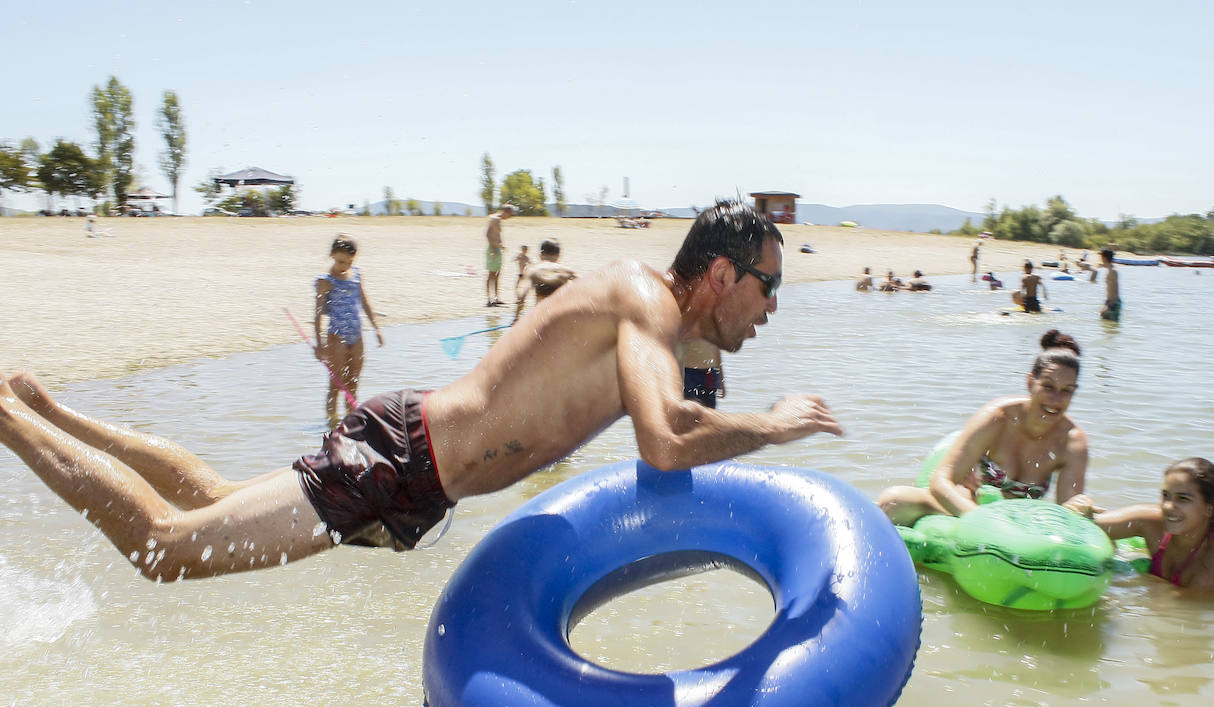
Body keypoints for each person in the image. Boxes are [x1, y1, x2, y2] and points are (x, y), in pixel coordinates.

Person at [0, 200, 841, 581]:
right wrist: (769, 428)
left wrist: (718, 391)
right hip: (398, 459)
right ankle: (9, 418)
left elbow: (668, 458)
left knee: (209, 499)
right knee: (169, 548)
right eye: (770, 286)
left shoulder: (676, 341)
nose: (775, 305)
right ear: (721, 272)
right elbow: (664, 441)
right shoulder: (642, 299)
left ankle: (49, 409)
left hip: (410, 476)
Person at [877, 330, 1092, 525]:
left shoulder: (1072, 441)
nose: (1056, 399)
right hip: (964, 508)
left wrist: (1079, 509)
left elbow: (1067, 510)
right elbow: (941, 480)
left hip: (1021, 524)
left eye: (1067, 391)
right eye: (1048, 386)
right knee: (894, 500)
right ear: (1030, 382)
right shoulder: (997, 417)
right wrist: (981, 521)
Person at [1093, 458, 1214, 592]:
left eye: (1183, 498)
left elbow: (1176, 613)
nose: (1167, 507)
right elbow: (1088, 524)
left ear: (1208, 508)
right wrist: (1079, 507)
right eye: (1166, 495)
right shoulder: (1152, 521)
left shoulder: (1211, 567)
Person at [314, 234, 383, 428]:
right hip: (336, 336)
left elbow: (365, 301)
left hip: (357, 334)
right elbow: (318, 314)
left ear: (353, 258)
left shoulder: (357, 274)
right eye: (337, 261)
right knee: (336, 385)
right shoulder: (325, 281)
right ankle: (331, 426)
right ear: (332, 257)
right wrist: (320, 345)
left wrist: (376, 328)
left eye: (345, 262)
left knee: (353, 382)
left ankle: (350, 426)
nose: (340, 266)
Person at [513, 238, 577, 320]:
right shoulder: (568, 272)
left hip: (541, 319)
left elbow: (521, 298)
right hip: (561, 319)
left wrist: (516, 318)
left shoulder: (532, 271)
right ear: (558, 255)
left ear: (540, 255)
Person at [485, 203, 515, 305]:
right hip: (493, 249)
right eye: (510, 215)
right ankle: (489, 299)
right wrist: (493, 249)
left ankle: (496, 298)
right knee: (491, 274)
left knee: (497, 274)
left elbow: (497, 235)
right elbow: (488, 234)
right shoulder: (494, 219)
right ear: (506, 212)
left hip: (497, 249)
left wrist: (502, 246)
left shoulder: (498, 220)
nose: (509, 217)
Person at [681, 339, 724, 408]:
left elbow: (717, 353)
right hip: (689, 374)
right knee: (691, 411)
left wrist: (721, 380)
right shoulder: (686, 330)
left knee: (710, 411)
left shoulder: (713, 330)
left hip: (709, 374)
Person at [1100, 249, 1121, 321]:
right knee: (1106, 322)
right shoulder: (1109, 269)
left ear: (1104, 258)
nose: (1100, 259)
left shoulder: (1113, 271)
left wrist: (1110, 305)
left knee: (1111, 324)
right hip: (1109, 301)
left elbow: (1115, 289)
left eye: (1101, 257)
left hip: (1113, 302)